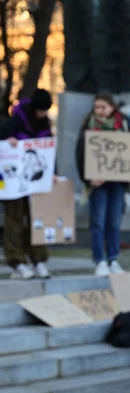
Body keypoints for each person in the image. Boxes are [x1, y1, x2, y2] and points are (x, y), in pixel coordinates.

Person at [76, 93, 130, 277]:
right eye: (97, 107)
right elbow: (80, 156)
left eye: (103, 107)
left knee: (114, 222)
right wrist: (89, 179)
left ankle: (113, 258)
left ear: (112, 108)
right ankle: (99, 260)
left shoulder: (125, 127)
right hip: (97, 184)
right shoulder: (89, 128)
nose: (100, 111)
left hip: (118, 183)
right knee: (98, 222)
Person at [0, 88, 54, 279]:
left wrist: (52, 174)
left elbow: (48, 152)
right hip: (15, 183)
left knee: (37, 219)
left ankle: (38, 260)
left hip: (35, 183)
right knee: (14, 220)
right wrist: (8, 140)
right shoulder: (14, 122)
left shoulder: (45, 124)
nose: (42, 114)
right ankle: (17, 262)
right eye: (41, 110)